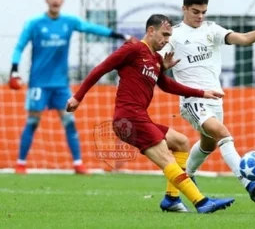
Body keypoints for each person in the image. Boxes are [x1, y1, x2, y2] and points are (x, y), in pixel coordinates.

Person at [66, 14, 235, 213]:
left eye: (169, 36)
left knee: (181, 142)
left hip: (140, 118)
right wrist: (78, 97)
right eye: (164, 34)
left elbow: (167, 85)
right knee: (166, 158)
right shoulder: (133, 49)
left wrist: (202, 92)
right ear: (151, 31)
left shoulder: (156, 59)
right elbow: (101, 68)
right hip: (128, 118)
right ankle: (201, 202)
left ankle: (171, 199)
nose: (166, 40)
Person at [159, 0, 255, 202]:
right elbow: (158, 63)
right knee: (224, 134)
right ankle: (248, 182)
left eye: (203, 12)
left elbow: (243, 39)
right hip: (192, 101)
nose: (200, 16)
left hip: (215, 99)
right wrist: (162, 66)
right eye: (195, 12)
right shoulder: (175, 36)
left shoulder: (212, 29)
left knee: (209, 144)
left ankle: (185, 178)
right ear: (184, 9)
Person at [10, 0, 137, 175]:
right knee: (32, 122)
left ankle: (78, 164)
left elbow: (92, 29)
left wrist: (121, 36)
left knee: (69, 121)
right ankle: (21, 164)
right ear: (47, 0)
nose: (55, 0)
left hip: (61, 84)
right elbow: (19, 46)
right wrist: (14, 70)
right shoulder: (34, 24)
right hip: (38, 83)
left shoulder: (69, 22)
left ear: (62, 1)